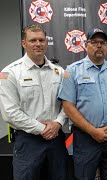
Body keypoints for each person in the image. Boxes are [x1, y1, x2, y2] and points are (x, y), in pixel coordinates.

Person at [58, 28, 107, 180]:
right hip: (85, 138)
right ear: (86, 45)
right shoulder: (73, 71)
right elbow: (68, 106)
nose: (99, 46)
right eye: (94, 42)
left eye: (102, 42)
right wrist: (93, 131)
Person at [0, 25, 68, 180]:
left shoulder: (59, 72)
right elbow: (10, 113)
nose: (38, 44)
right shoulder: (10, 73)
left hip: (56, 140)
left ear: (46, 43)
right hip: (28, 141)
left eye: (41, 40)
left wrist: (57, 123)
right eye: (33, 40)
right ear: (24, 43)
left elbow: (68, 104)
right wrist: (43, 129)